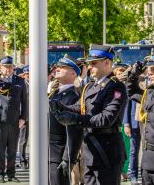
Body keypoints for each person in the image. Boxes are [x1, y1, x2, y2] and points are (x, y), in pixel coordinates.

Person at [52, 44, 127, 185]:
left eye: (94, 63)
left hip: (107, 152)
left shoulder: (116, 87)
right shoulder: (90, 86)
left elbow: (106, 118)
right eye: (89, 64)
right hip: (90, 152)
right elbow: (80, 108)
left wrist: (75, 119)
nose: (90, 67)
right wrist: (62, 107)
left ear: (107, 63)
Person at [127, 48, 154, 185]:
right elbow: (130, 91)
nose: (150, 72)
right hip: (147, 162)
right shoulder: (151, 93)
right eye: (149, 69)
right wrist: (135, 73)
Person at [48, 55, 83, 185]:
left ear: (73, 73)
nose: (58, 68)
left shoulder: (74, 97)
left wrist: (69, 158)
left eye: (63, 67)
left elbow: (74, 131)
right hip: (49, 151)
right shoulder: (54, 93)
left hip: (59, 153)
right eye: (58, 66)